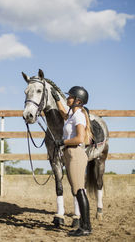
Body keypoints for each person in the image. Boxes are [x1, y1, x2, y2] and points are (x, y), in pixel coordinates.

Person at [51, 85, 92, 237]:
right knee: (77, 190)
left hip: (75, 154)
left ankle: (86, 226)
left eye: (70, 97)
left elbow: (80, 138)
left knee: (79, 190)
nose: (67, 98)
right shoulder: (72, 115)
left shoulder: (79, 116)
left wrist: (62, 142)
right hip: (70, 154)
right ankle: (84, 225)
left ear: (78, 101)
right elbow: (63, 114)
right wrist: (56, 100)